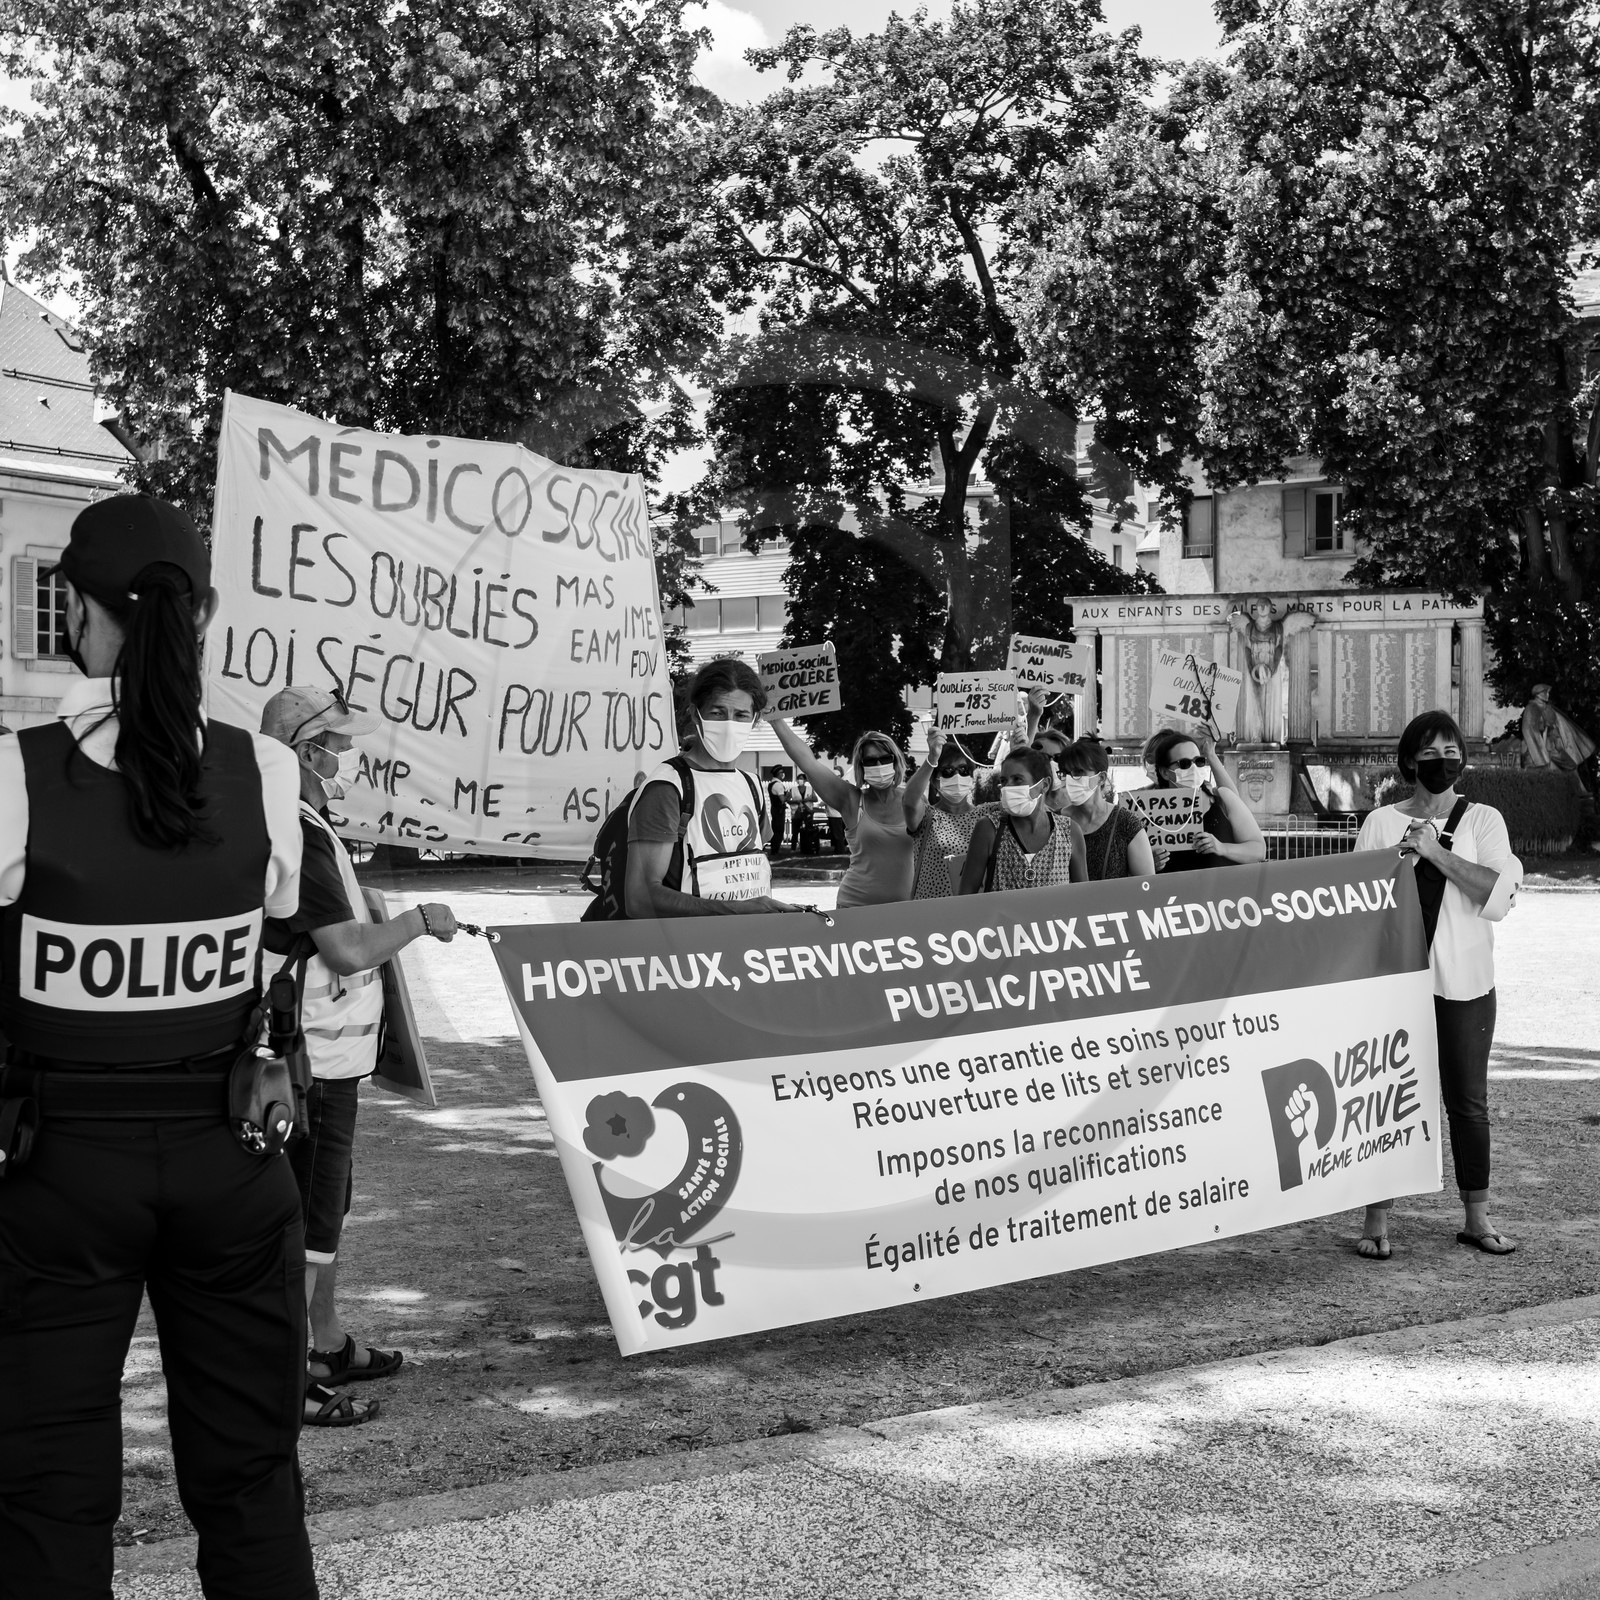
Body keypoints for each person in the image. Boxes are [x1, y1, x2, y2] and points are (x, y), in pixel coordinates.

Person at [0, 496, 316, 1597]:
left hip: (57, 1165)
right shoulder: (263, 771)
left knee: (45, 1481)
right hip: (228, 1155)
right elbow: (279, 914)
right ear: (207, 614)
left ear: (81, 616)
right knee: (249, 1477)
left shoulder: (17, 770)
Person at [260, 686, 460, 1427]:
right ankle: (291, 1378)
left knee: (324, 1210)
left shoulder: (302, 820)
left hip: (319, 1058)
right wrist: (415, 922)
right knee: (305, 1221)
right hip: (309, 1061)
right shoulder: (299, 827)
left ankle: (328, 1343)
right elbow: (343, 950)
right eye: (338, 744)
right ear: (307, 752)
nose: (347, 756)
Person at [1353, 711, 1522, 1260]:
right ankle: (1376, 1218)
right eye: (1430, 751)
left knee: (1467, 1103)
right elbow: (1357, 905)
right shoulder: (1380, 823)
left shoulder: (1484, 821)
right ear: (1410, 761)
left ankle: (1477, 1216)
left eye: (1451, 749)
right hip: (1393, 983)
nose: (1442, 760)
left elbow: (1496, 896)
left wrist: (1436, 853)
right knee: (1387, 1096)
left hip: (1464, 983)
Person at [626, 657, 799, 916]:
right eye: (718, 713)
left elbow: (750, 872)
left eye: (741, 715)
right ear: (696, 714)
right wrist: (736, 911)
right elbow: (639, 899)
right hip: (689, 951)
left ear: (755, 719)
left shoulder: (751, 784)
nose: (730, 724)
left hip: (745, 947)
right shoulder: (667, 787)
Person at [770, 720, 916, 905]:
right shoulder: (851, 800)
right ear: (861, 767)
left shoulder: (914, 800)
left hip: (907, 909)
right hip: (855, 906)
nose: (878, 765)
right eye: (870, 761)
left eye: (885, 758)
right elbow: (807, 762)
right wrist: (775, 720)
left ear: (896, 761)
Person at [960, 747, 1087, 893]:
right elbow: (966, 895)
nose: (1008, 787)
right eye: (1004, 780)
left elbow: (1083, 896)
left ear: (1044, 785)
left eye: (1017, 779)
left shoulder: (1069, 831)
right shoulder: (988, 829)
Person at [1137, 728, 1265, 871]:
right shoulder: (1141, 805)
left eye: (1199, 761)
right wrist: (1148, 864)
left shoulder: (1221, 798)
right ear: (1164, 772)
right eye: (1184, 764)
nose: (1193, 768)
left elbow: (1258, 850)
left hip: (1224, 892)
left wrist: (1222, 848)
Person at [1055, 740, 1155, 880]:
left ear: (1101, 778)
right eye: (1066, 773)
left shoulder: (1126, 823)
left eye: (1078, 772)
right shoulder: (1053, 823)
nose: (1071, 779)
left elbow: (1146, 884)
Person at [902, 729, 984, 899]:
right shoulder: (927, 816)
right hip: (932, 912)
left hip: (974, 913)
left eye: (963, 770)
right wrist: (932, 758)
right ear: (934, 779)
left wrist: (1032, 721)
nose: (957, 776)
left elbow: (1025, 790)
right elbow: (909, 801)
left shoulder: (985, 816)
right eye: (947, 771)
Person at [1520, 682, 1596, 777]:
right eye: (1545, 693)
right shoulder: (1531, 708)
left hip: (1552, 746)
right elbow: (1529, 730)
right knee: (1536, 771)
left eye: (1548, 693)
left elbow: (1554, 726)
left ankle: (1576, 789)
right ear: (1538, 694)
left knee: (1571, 766)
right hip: (1537, 747)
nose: (1548, 695)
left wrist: (1557, 740)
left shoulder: (1548, 708)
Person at [766, 767, 791, 853]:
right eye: (781, 772)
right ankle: (775, 849)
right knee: (779, 830)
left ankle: (775, 848)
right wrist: (788, 795)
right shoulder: (778, 785)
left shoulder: (771, 784)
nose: (783, 774)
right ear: (778, 774)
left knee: (775, 828)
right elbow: (782, 800)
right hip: (779, 810)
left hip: (775, 809)